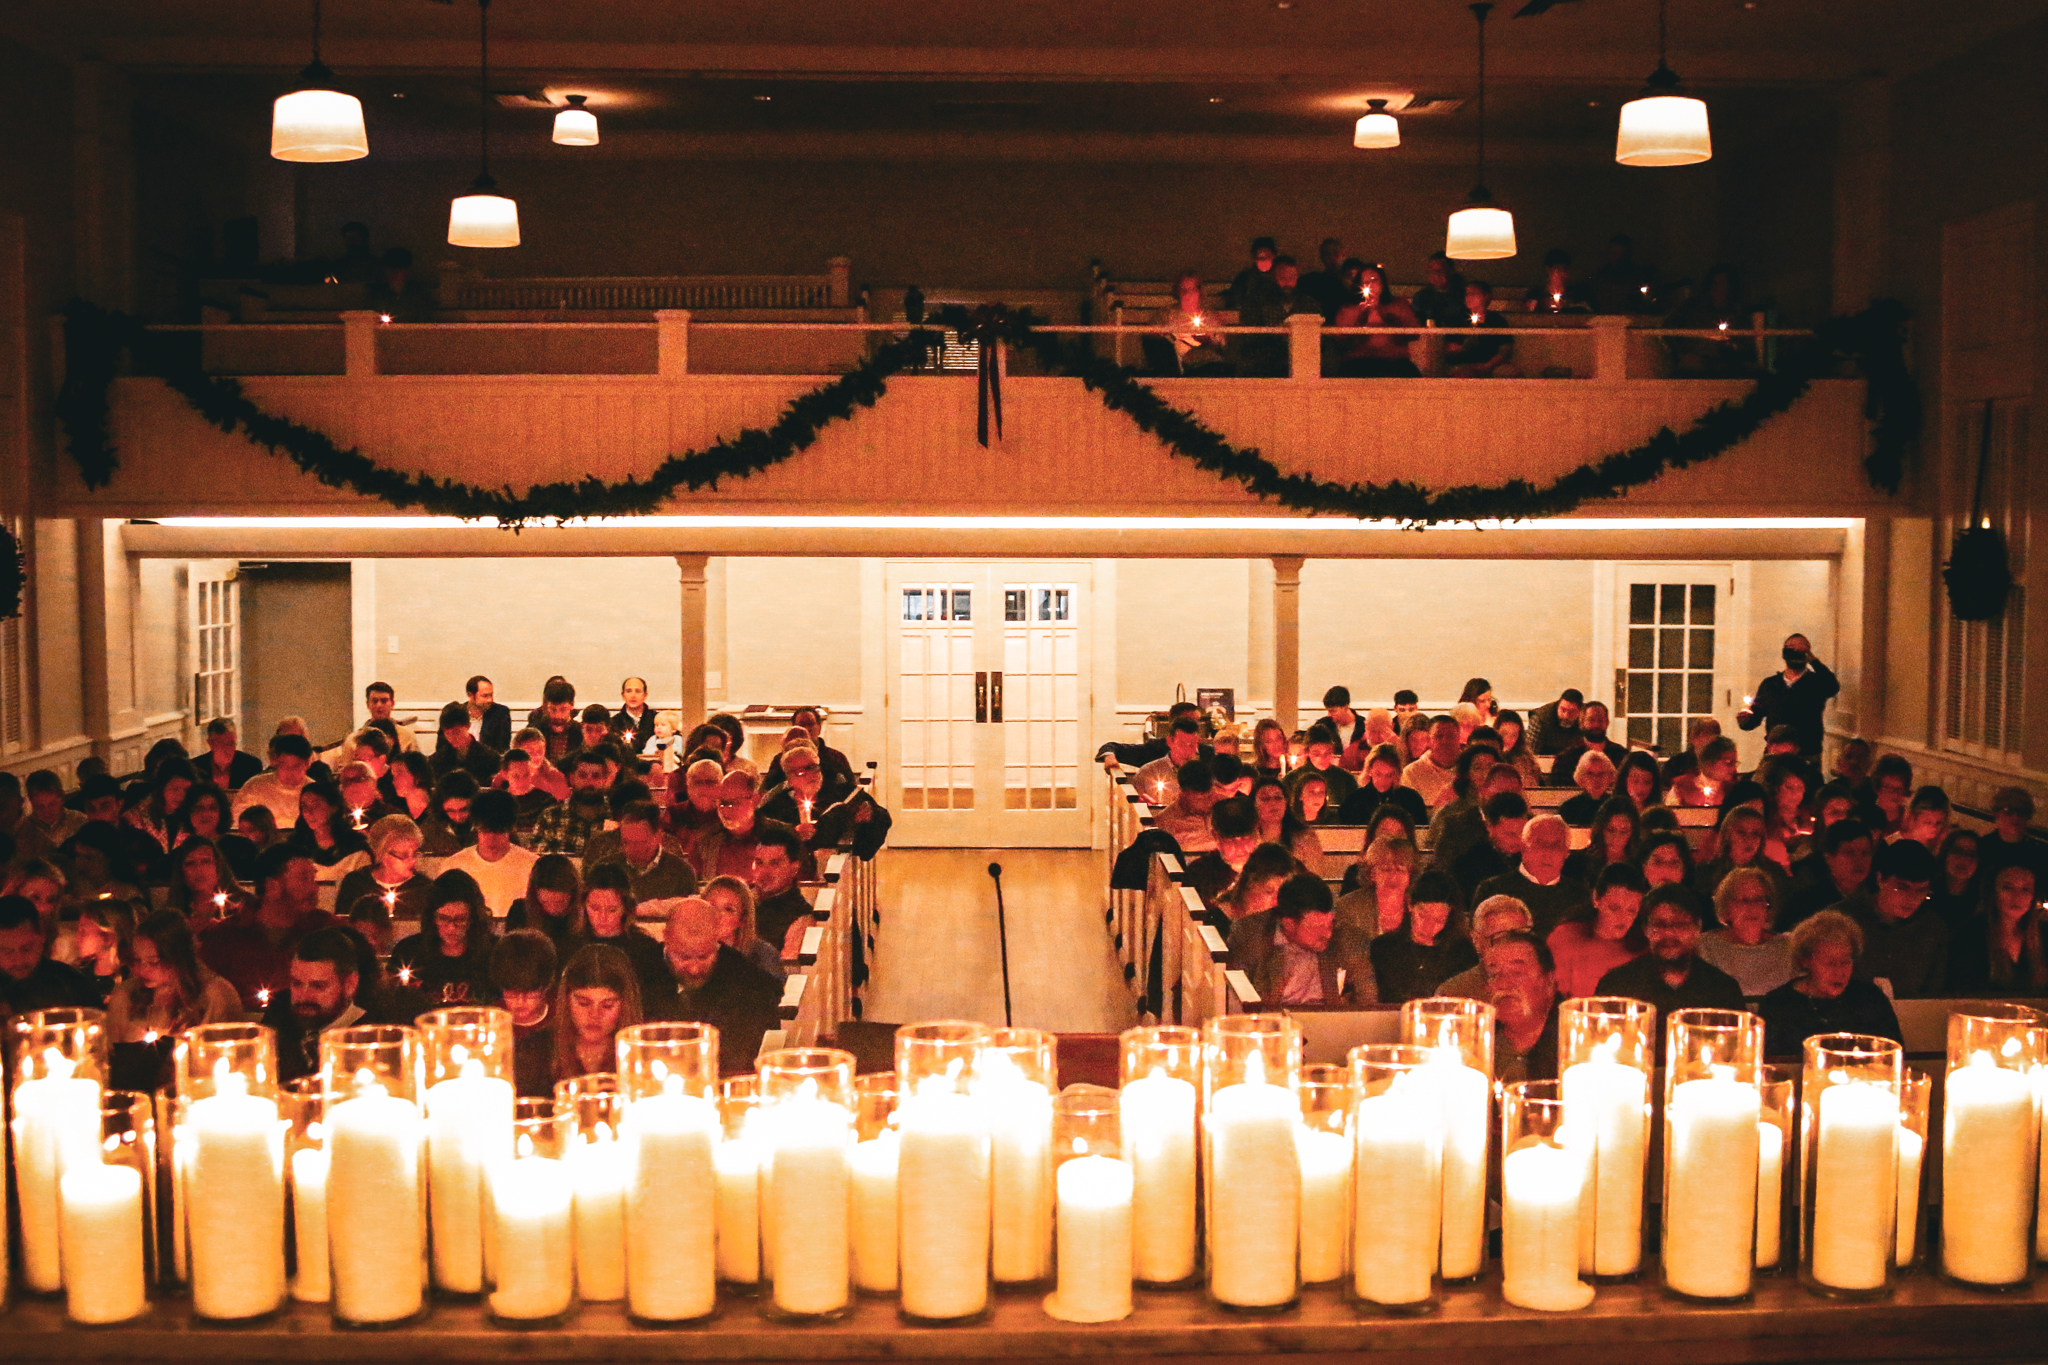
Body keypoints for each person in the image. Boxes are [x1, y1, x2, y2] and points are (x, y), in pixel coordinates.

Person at [647, 896, 782, 1075]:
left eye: (704, 957)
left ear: (717, 936)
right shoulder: (640, 973)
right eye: (684, 957)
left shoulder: (750, 983)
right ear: (666, 937)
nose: (694, 969)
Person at [200, 847, 339, 1010]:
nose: (315, 888)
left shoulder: (330, 931)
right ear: (273, 887)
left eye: (313, 878)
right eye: (304, 878)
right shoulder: (225, 937)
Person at [1595, 884, 1746, 1032]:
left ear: (1697, 928)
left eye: (1679, 924)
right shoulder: (1617, 987)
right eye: (1659, 924)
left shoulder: (1723, 991)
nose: (1668, 933)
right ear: (1646, 929)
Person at [1759, 911, 1903, 1060]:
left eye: (1846, 961)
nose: (1839, 972)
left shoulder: (1870, 998)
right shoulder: (1778, 1004)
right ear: (1805, 961)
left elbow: (1893, 1055)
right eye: (1831, 963)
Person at [106, 910, 244, 1043]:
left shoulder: (215, 996)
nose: (142, 969)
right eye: (136, 960)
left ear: (178, 958)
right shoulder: (125, 994)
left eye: (153, 961)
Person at [1227, 871, 1358, 1006]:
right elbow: (1238, 1000)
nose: (1328, 934)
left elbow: (1366, 1003)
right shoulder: (1250, 935)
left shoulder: (1346, 937)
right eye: (1317, 927)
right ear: (1288, 924)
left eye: (1329, 924)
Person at [266, 927, 380, 1082]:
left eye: (318, 986)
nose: (304, 997)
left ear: (350, 984)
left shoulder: (373, 1035)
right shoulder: (279, 1014)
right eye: (297, 984)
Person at [1837, 838, 1945, 998]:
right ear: (1880, 879)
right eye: (1902, 887)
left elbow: (1933, 993)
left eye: (1921, 890)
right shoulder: (1842, 921)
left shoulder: (1932, 929)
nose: (1912, 898)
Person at [1367, 870, 1477, 1005]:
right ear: (1410, 905)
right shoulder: (1383, 948)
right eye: (1423, 916)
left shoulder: (1462, 953)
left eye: (1439, 920)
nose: (1428, 926)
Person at [566, 861, 669, 1005]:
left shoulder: (646, 949)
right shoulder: (571, 945)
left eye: (612, 910)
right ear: (583, 905)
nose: (602, 917)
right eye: (594, 908)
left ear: (626, 908)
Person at [1474, 814, 1590, 939]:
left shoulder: (1580, 895)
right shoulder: (1492, 889)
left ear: (1567, 852)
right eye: (1540, 844)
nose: (1548, 853)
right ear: (1523, 847)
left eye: (1556, 845)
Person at [1547, 864, 1648, 998]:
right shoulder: (1567, 937)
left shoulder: (1642, 948)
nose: (1623, 918)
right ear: (1596, 899)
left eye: (1631, 911)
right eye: (1614, 908)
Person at [1948, 863, 2048, 996]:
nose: (2017, 896)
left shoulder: (2044, 935)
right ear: (1993, 892)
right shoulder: (1970, 936)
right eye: (2007, 887)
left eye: (2025, 889)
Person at [437, 788, 539, 918]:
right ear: (475, 827)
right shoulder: (453, 866)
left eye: (498, 831)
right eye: (485, 830)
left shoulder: (533, 866)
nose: (491, 838)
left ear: (511, 828)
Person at [1737, 634, 1839, 759]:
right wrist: (1745, 720)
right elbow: (1756, 714)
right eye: (1791, 647)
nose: (1795, 651)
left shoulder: (1816, 683)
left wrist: (1814, 661)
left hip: (1808, 753)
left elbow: (1833, 687)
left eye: (1801, 648)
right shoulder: (1770, 684)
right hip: (1775, 752)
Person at [553, 943, 644, 1083]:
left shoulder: (644, 1054)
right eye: (584, 1003)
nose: (595, 1015)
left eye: (607, 1006)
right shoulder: (535, 1050)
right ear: (566, 1000)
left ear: (625, 1006)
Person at [1697, 867, 1794, 997]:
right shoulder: (1705, 947)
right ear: (1726, 907)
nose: (1752, 908)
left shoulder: (1788, 947)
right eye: (1744, 901)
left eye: (1759, 900)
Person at [0, 894, 100, 1013]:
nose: (18, 960)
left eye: (27, 948)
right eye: (6, 951)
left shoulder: (73, 986)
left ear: (41, 939)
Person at [492, 930, 560, 1098]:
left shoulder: (561, 1015)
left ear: (546, 984)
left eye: (530, 992)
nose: (520, 1001)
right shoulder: (492, 1023)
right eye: (512, 992)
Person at [1487, 932, 1560, 1083]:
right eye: (1494, 974)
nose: (1503, 984)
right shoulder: (1478, 1045)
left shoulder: (1574, 1048)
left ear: (1548, 981)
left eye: (1517, 973)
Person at [1436, 894, 1535, 1000]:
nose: (1511, 946)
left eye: (1519, 936)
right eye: (1499, 938)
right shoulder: (1454, 995)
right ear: (1476, 940)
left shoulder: (1544, 985)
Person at [1329, 264, 1420, 377]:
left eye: (1374, 281)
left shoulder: (1398, 305)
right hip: (1359, 363)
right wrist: (1361, 317)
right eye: (1364, 282)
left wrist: (1385, 315)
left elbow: (1414, 333)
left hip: (1394, 362)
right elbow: (1341, 342)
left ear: (1382, 283)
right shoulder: (1348, 309)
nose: (1369, 285)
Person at [1783, 817, 1876, 927]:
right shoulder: (1807, 902)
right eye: (1849, 853)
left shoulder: (1877, 897)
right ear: (1829, 858)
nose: (1859, 861)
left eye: (1865, 853)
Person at [1332, 835, 1416, 954]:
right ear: (1371, 874)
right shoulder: (1348, 907)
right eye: (1386, 869)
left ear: (1410, 874)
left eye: (1400, 870)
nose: (1393, 877)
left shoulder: (1419, 906)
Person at [704, 873, 786, 981]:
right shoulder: (683, 950)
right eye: (711, 906)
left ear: (742, 919)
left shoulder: (763, 956)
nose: (716, 915)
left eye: (728, 909)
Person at [749, 824, 813, 960]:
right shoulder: (741, 901)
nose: (764, 873)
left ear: (794, 868)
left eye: (774, 864)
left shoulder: (800, 918)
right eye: (759, 863)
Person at [233, 732, 314, 826]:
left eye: (296, 766)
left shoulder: (314, 792)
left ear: (307, 763)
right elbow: (236, 821)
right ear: (276, 762)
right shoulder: (255, 787)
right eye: (284, 766)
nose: (289, 772)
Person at [504, 853, 583, 951]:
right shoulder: (520, 913)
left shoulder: (586, 917)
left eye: (559, 903)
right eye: (546, 902)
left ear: (573, 896)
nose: (553, 908)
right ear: (534, 895)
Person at [1444, 281, 1519, 378]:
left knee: (1512, 374)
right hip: (1463, 364)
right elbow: (1449, 347)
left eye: (1473, 294)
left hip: (1491, 364)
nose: (1468, 298)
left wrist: (1488, 365)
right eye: (1467, 294)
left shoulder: (1496, 320)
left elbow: (1505, 349)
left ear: (1486, 296)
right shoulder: (1458, 320)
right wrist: (1460, 347)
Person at [1160, 272, 1230, 375]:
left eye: (1192, 290)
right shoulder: (1168, 316)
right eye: (1184, 290)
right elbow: (1161, 342)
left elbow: (1222, 343)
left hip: (1210, 365)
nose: (1188, 294)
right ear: (1178, 292)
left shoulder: (1210, 317)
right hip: (1181, 366)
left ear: (1199, 292)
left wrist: (1209, 341)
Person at [1977, 786, 2046, 888]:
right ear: (1996, 813)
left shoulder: (2040, 852)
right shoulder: (1981, 847)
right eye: (2009, 811)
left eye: (2022, 811)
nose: (2016, 816)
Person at [1549, 702, 1627, 788]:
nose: (1596, 725)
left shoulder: (1621, 755)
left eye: (1600, 720)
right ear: (1581, 723)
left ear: (1607, 722)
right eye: (1591, 720)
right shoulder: (1566, 758)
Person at [430, 702, 503, 785]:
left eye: (456, 732)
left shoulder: (490, 758)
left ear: (468, 726)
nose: (452, 738)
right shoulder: (437, 761)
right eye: (447, 733)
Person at [1401, 715, 1461, 810]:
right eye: (1439, 736)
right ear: (1429, 740)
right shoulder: (1411, 773)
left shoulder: (1471, 767)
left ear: (1459, 738)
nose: (1445, 741)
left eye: (1450, 736)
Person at [199, 718, 265, 792]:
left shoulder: (251, 765)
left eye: (231, 744)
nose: (228, 750)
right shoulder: (196, 767)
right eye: (222, 745)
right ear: (210, 743)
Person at [1297, 237, 1352, 322]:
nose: (1333, 258)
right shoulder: (1316, 282)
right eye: (1327, 255)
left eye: (1336, 253)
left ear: (1344, 254)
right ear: (1322, 258)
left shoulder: (1356, 279)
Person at [1408, 251, 1468, 330]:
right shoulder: (1421, 298)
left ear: (1451, 271)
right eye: (1431, 272)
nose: (1435, 276)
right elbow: (1416, 324)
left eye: (1439, 271)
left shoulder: (1464, 296)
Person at [528, 678, 581, 763]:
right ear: (545, 707)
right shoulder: (535, 731)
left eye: (563, 710)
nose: (557, 715)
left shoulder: (581, 732)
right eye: (553, 710)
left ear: (572, 706)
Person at [1528, 248, 1593, 314]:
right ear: (1549, 270)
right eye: (1558, 270)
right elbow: (1528, 311)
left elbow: (1588, 310)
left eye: (1564, 269)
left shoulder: (1577, 293)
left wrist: (1567, 307)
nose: (1562, 274)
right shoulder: (1537, 293)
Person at [460, 675, 513, 753]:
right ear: (470, 695)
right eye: (485, 696)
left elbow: (502, 748)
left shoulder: (500, 713)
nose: (490, 700)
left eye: (491, 695)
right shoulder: (456, 714)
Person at [1526, 689, 1584, 757]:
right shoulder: (1541, 718)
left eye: (1572, 712)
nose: (1566, 715)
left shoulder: (1587, 717)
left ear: (1580, 711)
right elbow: (1530, 753)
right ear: (1558, 705)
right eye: (1563, 709)